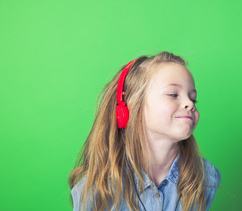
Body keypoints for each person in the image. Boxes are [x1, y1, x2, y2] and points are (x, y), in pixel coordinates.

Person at [68, 51, 221, 211]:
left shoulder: (206, 178)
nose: (189, 103)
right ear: (133, 106)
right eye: (173, 94)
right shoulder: (97, 187)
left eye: (193, 98)